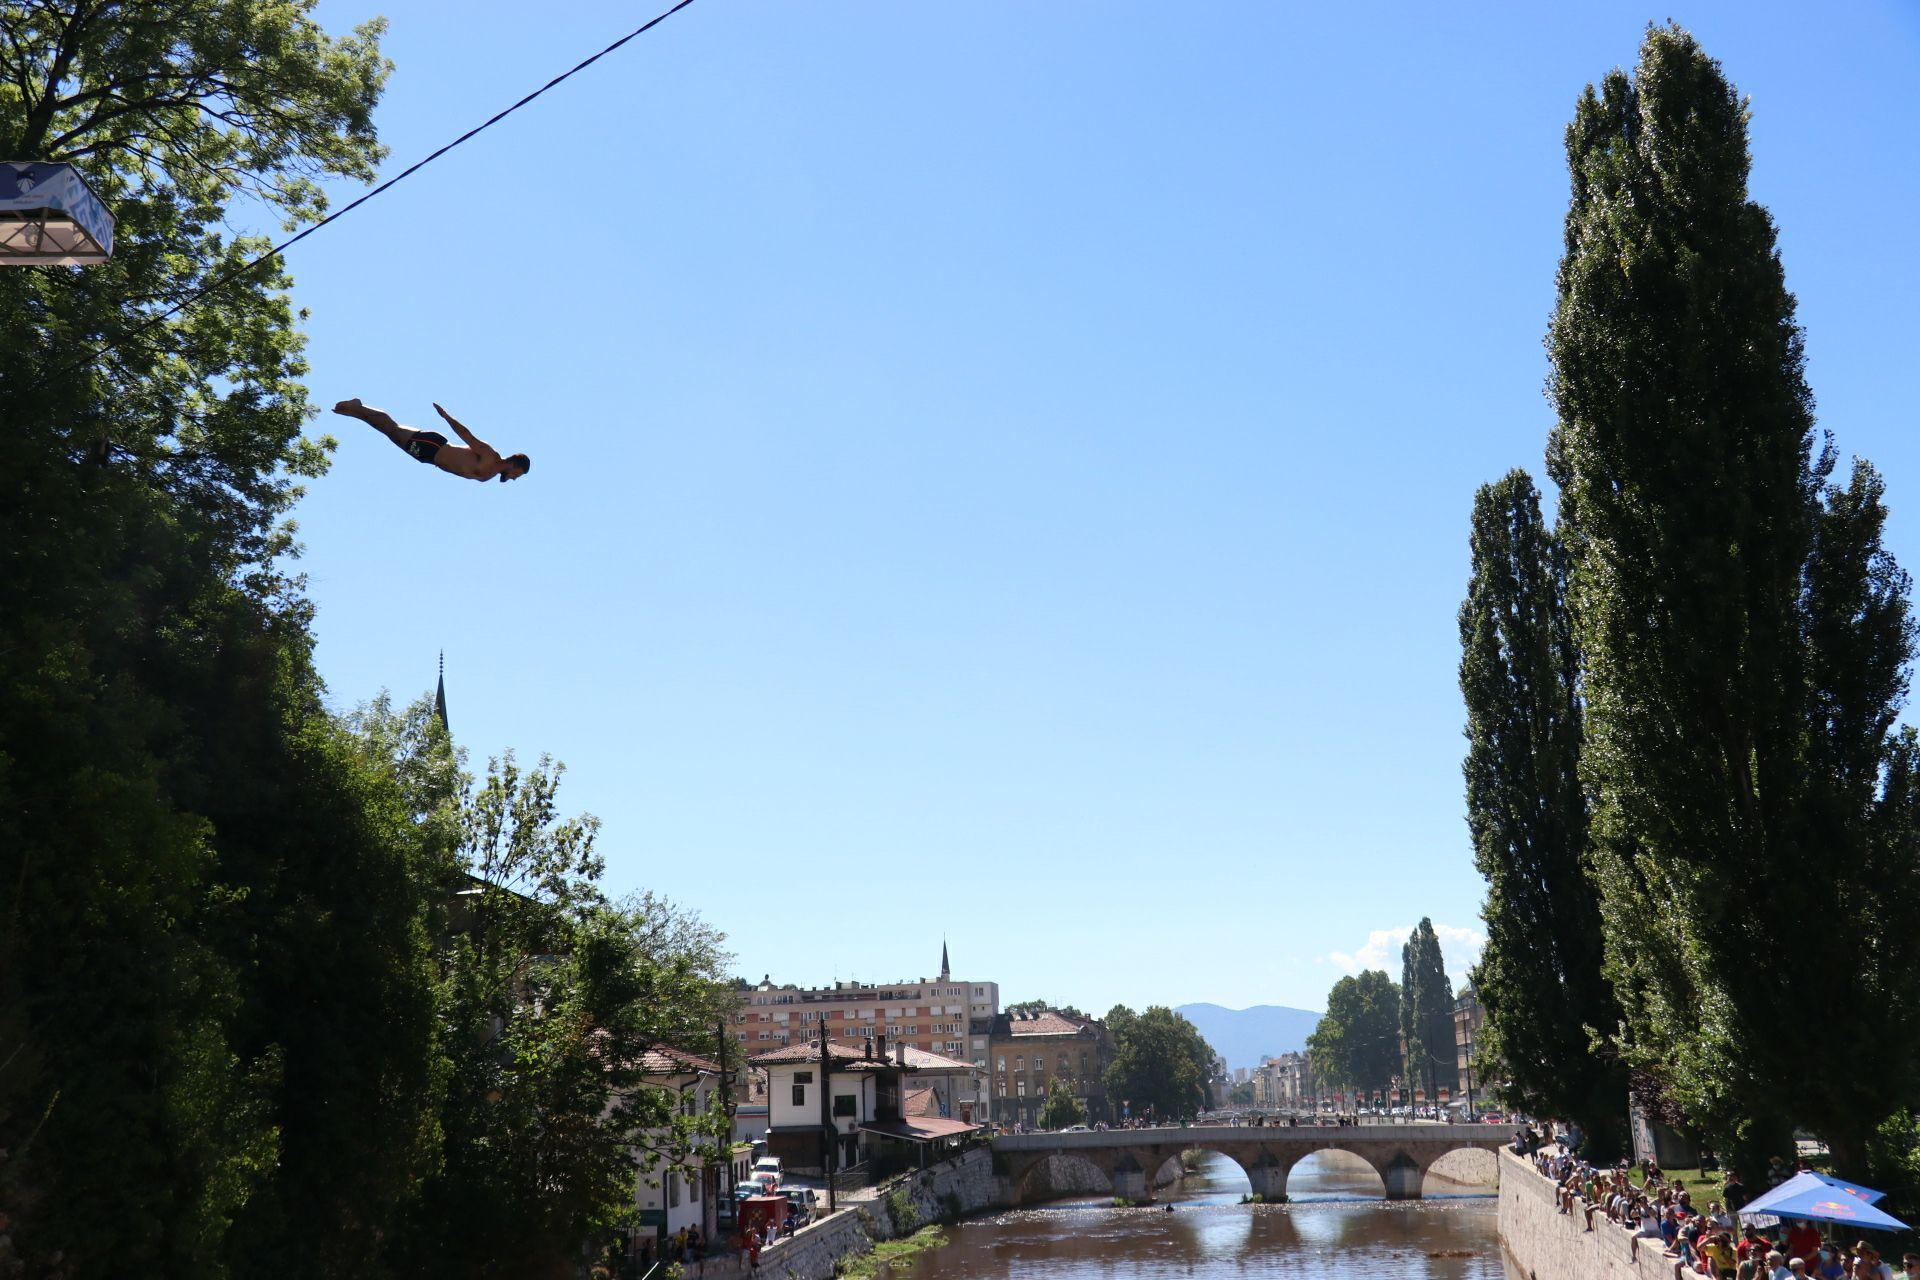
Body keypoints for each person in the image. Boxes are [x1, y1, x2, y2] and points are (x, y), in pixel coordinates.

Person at [334, 398, 530, 483]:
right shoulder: (490, 456)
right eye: (516, 474)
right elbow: (467, 435)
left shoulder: (488, 476)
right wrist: (446, 416)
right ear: (512, 463)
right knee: (392, 429)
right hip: (434, 446)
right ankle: (357, 408)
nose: (513, 478)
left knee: (390, 432)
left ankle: (357, 411)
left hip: (429, 457)